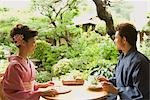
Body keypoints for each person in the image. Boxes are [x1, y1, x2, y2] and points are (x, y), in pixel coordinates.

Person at [2, 24, 58, 100]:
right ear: (23, 43)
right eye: (33, 42)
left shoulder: (28, 62)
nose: (35, 45)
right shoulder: (14, 66)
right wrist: (41, 93)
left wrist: (41, 85)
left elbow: (28, 85)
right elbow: (14, 94)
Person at [98, 23, 149, 100]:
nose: (114, 41)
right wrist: (108, 82)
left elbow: (140, 93)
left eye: (116, 38)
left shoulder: (140, 62)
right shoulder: (122, 57)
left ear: (124, 40)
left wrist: (117, 90)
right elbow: (120, 81)